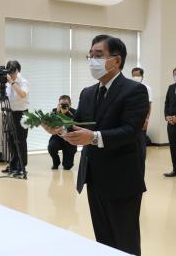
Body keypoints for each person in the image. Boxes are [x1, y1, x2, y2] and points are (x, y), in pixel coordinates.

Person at [43, 35, 149, 256]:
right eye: (90, 55)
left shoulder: (134, 91)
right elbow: (78, 126)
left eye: (99, 55)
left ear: (116, 61)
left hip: (122, 178)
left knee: (125, 239)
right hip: (94, 176)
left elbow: (130, 131)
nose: (93, 60)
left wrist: (93, 137)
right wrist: (59, 128)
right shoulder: (88, 93)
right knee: (103, 238)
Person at [1, 60, 30, 177]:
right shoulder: (7, 83)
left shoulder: (23, 82)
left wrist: (12, 82)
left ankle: (22, 167)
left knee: (21, 141)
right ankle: (12, 165)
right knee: (11, 141)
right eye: (10, 72)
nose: (11, 74)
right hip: (10, 113)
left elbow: (22, 94)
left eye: (13, 72)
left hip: (22, 114)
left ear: (17, 71)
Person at [48, 95, 77, 170]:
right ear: (58, 104)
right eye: (62, 104)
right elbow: (51, 125)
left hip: (70, 139)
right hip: (58, 137)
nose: (63, 106)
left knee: (67, 167)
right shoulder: (55, 111)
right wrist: (58, 113)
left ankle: (67, 162)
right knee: (51, 147)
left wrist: (65, 114)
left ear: (70, 104)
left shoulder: (74, 112)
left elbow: (72, 126)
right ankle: (56, 162)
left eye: (66, 104)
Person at [132, 67, 152, 162]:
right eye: (134, 75)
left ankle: (141, 158)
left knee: (141, 139)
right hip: (131, 118)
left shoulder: (147, 88)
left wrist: (146, 120)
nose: (136, 77)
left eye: (138, 75)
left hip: (142, 119)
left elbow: (149, 105)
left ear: (142, 76)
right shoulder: (130, 87)